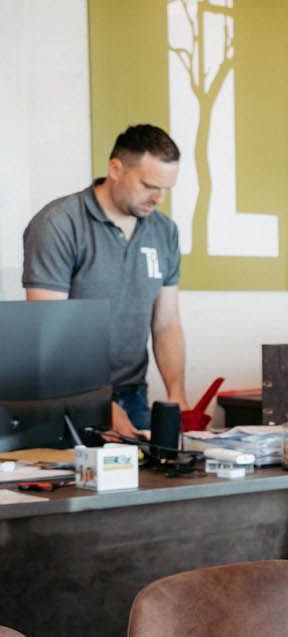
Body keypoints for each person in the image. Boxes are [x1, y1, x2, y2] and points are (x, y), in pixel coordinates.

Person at [22, 124, 187, 435]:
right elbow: (48, 333)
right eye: (149, 185)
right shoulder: (59, 224)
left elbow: (166, 324)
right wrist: (99, 404)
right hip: (68, 398)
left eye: (166, 189)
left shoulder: (165, 231)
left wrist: (177, 396)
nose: (158, 198)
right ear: (115, 169)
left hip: (133, 395)